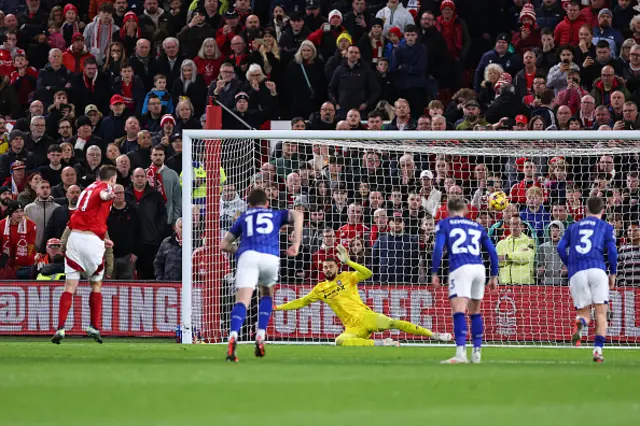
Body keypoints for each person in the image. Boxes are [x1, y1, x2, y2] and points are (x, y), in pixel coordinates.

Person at [276, 244, 451, 347]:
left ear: (337, 267)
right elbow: (301, 302)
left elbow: (368, 273)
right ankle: (382, 344)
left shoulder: (347, 277)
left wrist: (349, 262)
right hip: (352, 328)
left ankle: (435, 335)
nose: (327, 270)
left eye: (330, 267)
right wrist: (278, 307)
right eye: (325, 267)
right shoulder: (320, 289)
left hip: (366, 317)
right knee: (340, 341)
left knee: (391, 322)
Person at [220, 187, 303, 362]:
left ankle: (233, 335)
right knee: (266, 294)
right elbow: (298, 214)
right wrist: (296, 244)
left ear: (249, 205)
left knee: (242, 300)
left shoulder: (243, 217)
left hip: (248, 255)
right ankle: (261, 334)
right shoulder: (275, 214)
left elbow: (224, 244)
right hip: (270, 257)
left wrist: (238, 251)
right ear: (267, 203)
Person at [51, 165, 118, 345]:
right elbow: (103, 196)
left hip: (75, 238)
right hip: (91, 242)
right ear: (112, 179)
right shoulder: (105, 189)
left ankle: (60, 327)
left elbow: (87, 215)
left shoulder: (87, 189)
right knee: (95, 285)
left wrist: (103, 238)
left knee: (69, 286)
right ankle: (93, 326)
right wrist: (109, 195)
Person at [431, 198, 499, 364]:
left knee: (459, 310)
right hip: (479, 269)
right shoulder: (477, 226)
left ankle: (460, 353)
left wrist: (434, 272)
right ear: (466, 210)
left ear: (448, 210)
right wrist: (494, 275)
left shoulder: (444, 224)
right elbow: (492, 252)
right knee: (475, 312)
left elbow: (439, 248)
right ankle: (477, 353)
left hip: (460, 268)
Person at [557, 197, 618, 363]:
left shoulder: (573, 227)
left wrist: (569, 264)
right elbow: (612, 251)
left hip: (577, 272)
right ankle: (598, 350)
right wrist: (613, 273)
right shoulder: (606, 226)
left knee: (584, 312)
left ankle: (581, 323)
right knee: (601, 313)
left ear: (586, 209)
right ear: (603, 211)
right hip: (597, 268)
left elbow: (560, 247)